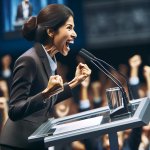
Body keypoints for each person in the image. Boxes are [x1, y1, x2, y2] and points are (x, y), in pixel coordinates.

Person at [0, 4, 91, 150]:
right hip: (17, 144)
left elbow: (48, 100)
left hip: (35, 141)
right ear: (50, 31)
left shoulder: (50, 59)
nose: (74, 34)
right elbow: (14, 110)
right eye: (69, 28)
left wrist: (75, 82)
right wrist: (46, 93)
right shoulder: (29, 60)